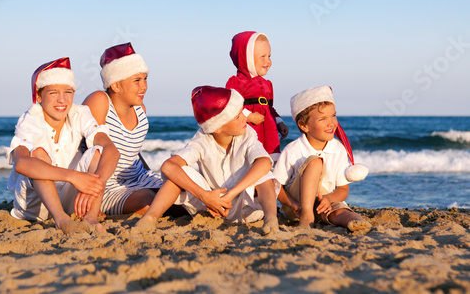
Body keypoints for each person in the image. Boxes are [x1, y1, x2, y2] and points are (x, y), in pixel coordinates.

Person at [136, 86, 280, 235]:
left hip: (247, 210)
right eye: (238, 116)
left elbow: (265, 162)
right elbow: (168, 166)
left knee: (263, 174)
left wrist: (230, 195)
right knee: (179, 172)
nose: (245, 117)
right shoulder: (202, 139)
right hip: (210, 207)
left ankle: (271, 218)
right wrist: (206, 196)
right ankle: (150, 218)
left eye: (242, 112)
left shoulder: (247, 134)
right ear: (217, 127)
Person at [6, 57, 119, 234]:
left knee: (98, 151)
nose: (62, 100)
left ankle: (91, 217)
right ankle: (61, 220)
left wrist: (94, 185)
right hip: (34, 206)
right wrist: (74, 177)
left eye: (68, 92)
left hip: (69, 199)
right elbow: (21, 163)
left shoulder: (79, 113)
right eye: (53, 93)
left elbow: (111, 150)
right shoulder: (31, 119)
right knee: (38, 156)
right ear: (39, 96)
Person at [83, 42, 164, 216]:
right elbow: (88, 150)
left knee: (181, 192)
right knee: (147, 202)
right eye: (137, 80)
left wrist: (150, 175)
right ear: (115, 85)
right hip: (106, 186)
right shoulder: (99, 101)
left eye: (145, 79)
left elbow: (134, 151)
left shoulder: (140, 109)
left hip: (139, 177)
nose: (144, 86)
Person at [273, 85, 370, 231]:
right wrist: (293, 204)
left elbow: (343, 189)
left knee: (341, 213)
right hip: (296, 205)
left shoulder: (338, 149)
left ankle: (357, 221)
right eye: (322, 119)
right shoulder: (293, 150)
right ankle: (307, 216)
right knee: (315, 163)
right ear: (304, 125)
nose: (331, 123)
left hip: (323, 201)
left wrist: (329, 199)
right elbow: (276, 185)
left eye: (333, 116)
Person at [226, 31, 289, 162]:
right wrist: (250, 116)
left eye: (269, 56)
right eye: (263, 57)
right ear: (246, 58)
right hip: (251, 129)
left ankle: (274, 176)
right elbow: (231, 106)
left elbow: (270, 108)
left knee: (272, 155)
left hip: (269, 129)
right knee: (253, 156)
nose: (268, 61)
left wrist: (279, 122)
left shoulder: (267, 84)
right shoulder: (236, 82)